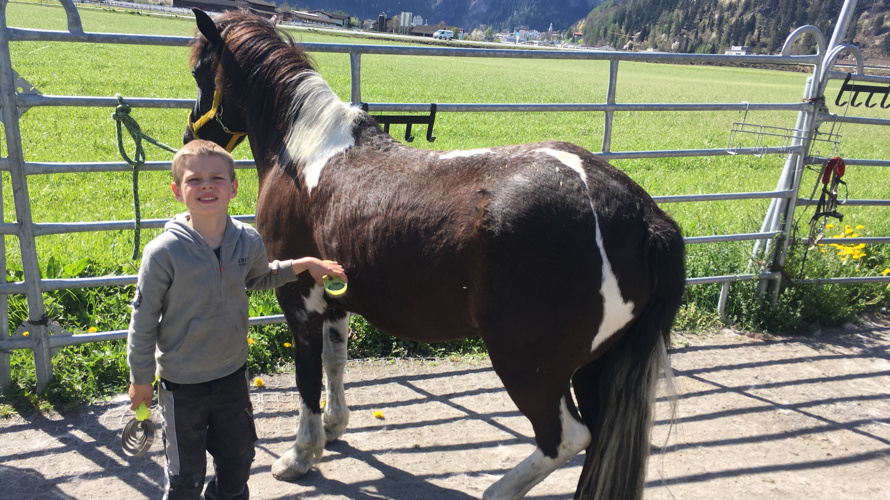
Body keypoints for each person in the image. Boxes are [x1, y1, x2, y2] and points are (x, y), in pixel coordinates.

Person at [127, 139, 346, 500]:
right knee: (185, 478)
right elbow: (143, 321)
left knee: (239, 462)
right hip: (182, 388)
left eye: (216, 177)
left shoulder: (246, 240)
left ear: (234, 187)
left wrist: (305, 265)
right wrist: (140, 380)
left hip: (232, 377)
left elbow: (261, 276)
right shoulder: (163, 253)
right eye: (194, 180)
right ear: (177, 192)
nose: (207, 185)